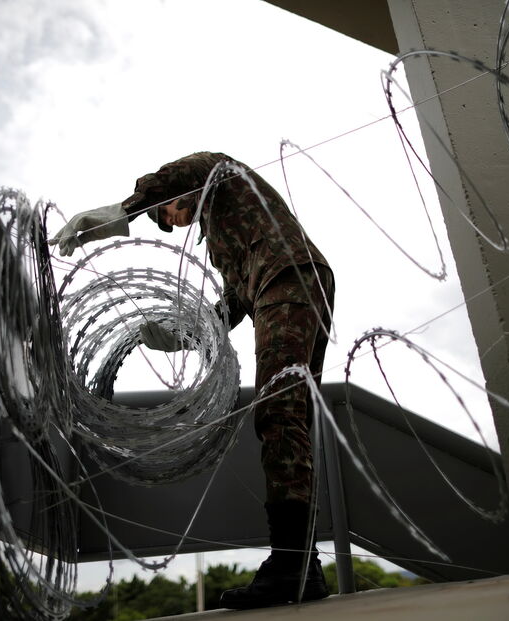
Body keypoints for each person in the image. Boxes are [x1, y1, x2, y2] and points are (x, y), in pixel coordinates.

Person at [49, 152, 334, 608]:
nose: (173, 221)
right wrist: (182, 336)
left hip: (288, 278)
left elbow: (188, 170)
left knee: (278, 412)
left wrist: (126, 210)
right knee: (290, 417)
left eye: (167, 213)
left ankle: (291, 566)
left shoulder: (218, 177)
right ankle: (303, 566)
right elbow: (232, 305)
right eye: (164, 220)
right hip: (279, 287)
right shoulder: (223, 240)